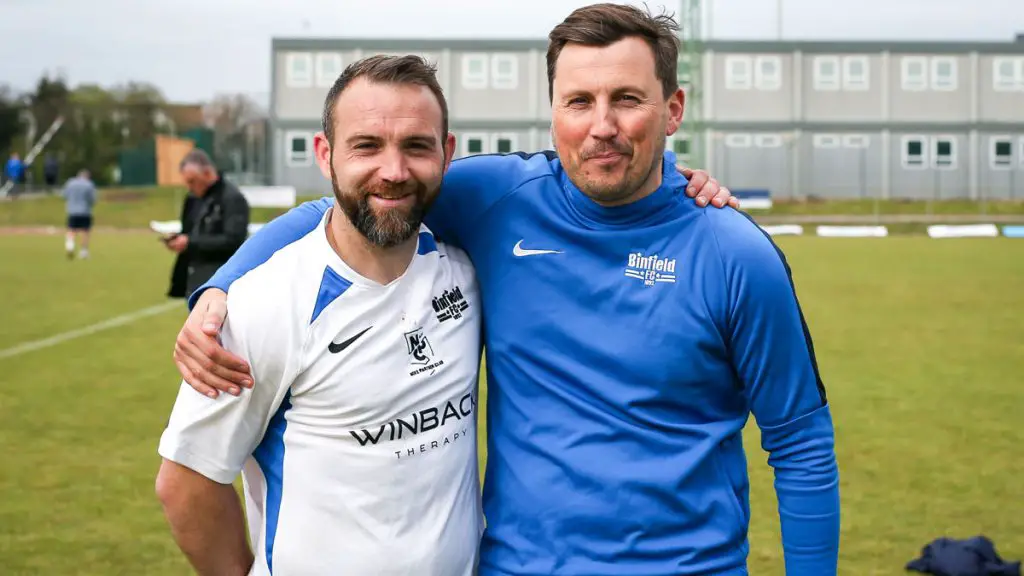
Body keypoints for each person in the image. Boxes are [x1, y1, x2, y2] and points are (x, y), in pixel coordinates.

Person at [176, 6, 834, 576]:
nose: (601, 124)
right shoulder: (500, 201)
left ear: (673, 109)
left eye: (627, 99)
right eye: (579, 101)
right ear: (553, 113)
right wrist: (222, 287)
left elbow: (801, 441)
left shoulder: (735, 253)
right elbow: (349, 203)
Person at [155, 56, 488, 575]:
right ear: (325, 154)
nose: (394, 171)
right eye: (367, 146)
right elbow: (186, 482)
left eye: (416, 146)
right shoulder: (263, 304)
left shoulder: (465, 273)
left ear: (446, 154)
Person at [164, 149, 250, 301]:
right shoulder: (192, 199)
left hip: (219, 281)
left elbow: (234, 240)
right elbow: (189, 232)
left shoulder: (232, 199)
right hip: (194, 279)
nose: (189, 187)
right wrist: (179, 240)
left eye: (192, 181)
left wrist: (190, 243)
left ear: (207, 173)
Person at [61, 169, 97, 259]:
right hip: (85, 211)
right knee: (85, 231)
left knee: (71, 229)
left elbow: (64, 195)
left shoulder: (70, 183)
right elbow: (92, 200)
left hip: (72, 211)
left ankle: (70, 245)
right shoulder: (89, 185)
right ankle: (83, 251)